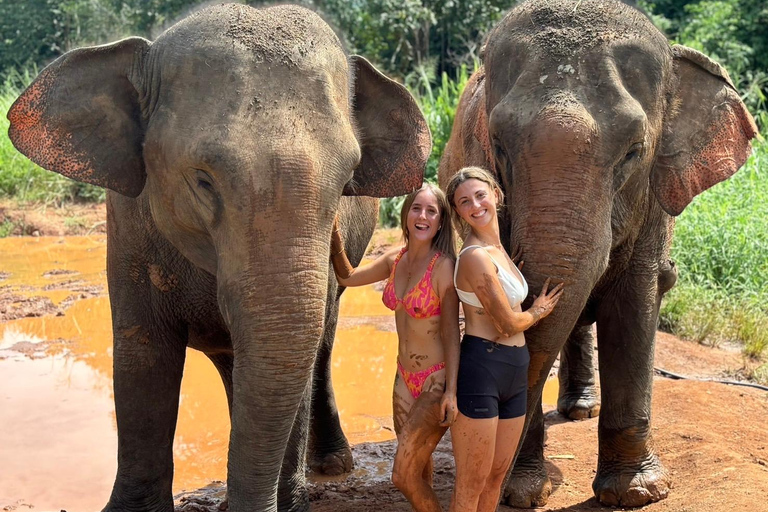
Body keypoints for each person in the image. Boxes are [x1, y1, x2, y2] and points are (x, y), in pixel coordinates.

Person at [331, 183, 461, 512]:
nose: (423, 216)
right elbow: (346, 276)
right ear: (406, 215)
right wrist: (332, 232)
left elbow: (450, 333)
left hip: (435, 381)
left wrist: (452, 392)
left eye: (432, 211)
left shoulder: (443, 267)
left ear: (441, 221)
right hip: (403, 378)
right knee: (418, 468)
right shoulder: (394, 259)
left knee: (402, 475)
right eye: (417, 208)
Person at [444, 167, 563, 512]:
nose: (475, 205)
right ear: (458, 212)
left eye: (480, 195)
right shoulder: (475, 256)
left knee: (496, 477)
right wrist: (539, 310)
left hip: (515, 368)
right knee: (472, 481)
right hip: (484, 367)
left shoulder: (498, 251)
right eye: (464, 202)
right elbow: (508, 323)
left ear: (495, 193)